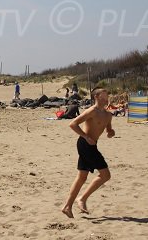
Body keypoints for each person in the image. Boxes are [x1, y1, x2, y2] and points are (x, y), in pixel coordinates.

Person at [61, 88, 115, 218]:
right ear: (96, 96)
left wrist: (111, 133)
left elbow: (109, 129)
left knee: (82, 176)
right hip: (85, 144)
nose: (106, 97)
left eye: (107, 95)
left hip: (92, 145)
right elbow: (73, 124)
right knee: (105, 175)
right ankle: (82, 199)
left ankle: (67, 206)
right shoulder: (91, 111)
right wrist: (86, 137)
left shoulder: (108, 115)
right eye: (103, 95)